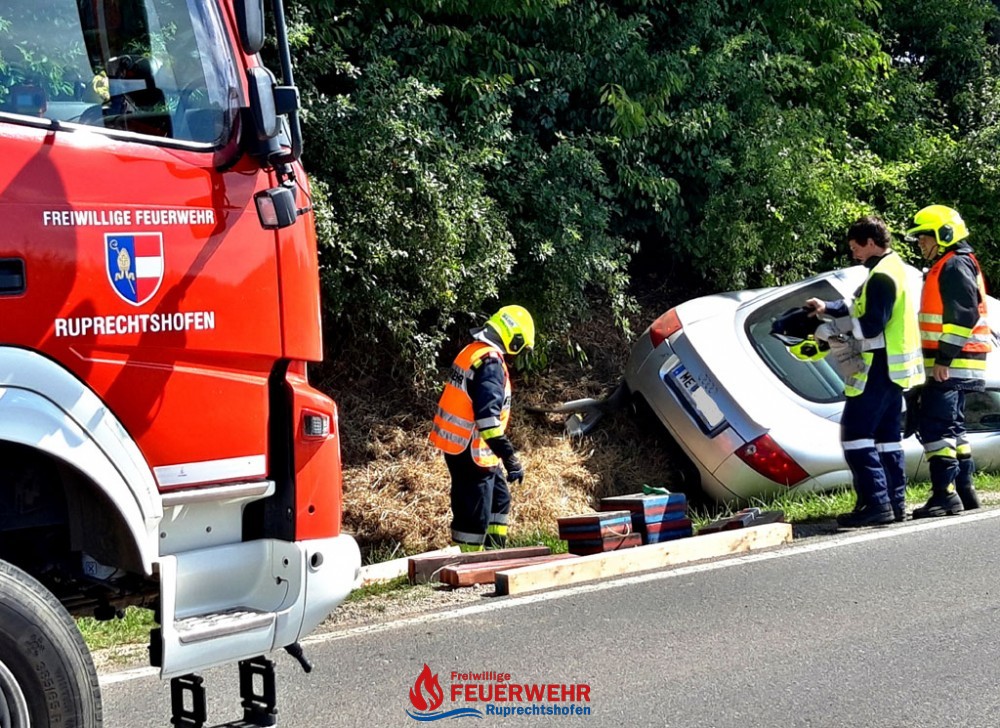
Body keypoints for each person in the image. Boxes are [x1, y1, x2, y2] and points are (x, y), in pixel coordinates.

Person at [805, 216, 925, 527]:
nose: (853, 253)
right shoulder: (890, 268)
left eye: (855, 246)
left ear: (870, 243)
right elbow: (856, 302)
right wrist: (826, 307)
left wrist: (830, 330)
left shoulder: (882, 276)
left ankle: (877, 505)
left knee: (856, 436)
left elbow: (871, 325)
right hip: (892, 372)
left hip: (878, 367)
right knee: (886, 440)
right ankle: (894, 504)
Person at [905, 205, 993, 517]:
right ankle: (966, 492)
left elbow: (964, 315)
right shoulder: (955, 263)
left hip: (951, 363)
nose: (921, 244)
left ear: (943, 234)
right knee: (953, 429)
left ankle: (945, 495)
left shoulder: (953, 265)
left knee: (935, 429)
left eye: (924, 238)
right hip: (959, 362)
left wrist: (943, 358)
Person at [429, 305, 535, 550]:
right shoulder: (490, 363)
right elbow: (487, 420)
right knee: (473, 517)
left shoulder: (473, 351)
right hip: (471, 450)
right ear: (515, 340)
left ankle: (495, 553)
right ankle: (469, 566)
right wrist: (509, 458)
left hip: (469, 448)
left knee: (499, 499)